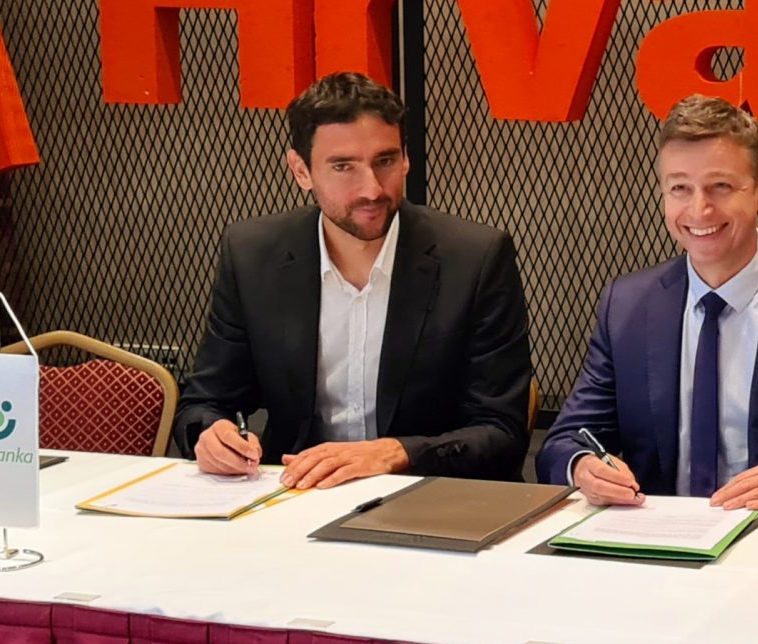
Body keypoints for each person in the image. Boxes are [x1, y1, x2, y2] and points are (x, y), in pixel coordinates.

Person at [538, 96, 758, 511]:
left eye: (720, 187)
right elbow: (564, 443)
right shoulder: (626, 307)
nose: (699, 209)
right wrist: (583, 466)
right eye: (680, 188)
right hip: (653, 538)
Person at [174, 72, 532, 489]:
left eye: (386, 161)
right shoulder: (253, 254)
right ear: (301, 171)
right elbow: (205, 401)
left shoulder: (475, 257)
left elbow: (502, 432)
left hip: (429, 493)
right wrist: (211, 435)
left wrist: (396, 453)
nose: (372, 189)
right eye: (343, 166)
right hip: (298, 492)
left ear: (406, 158)